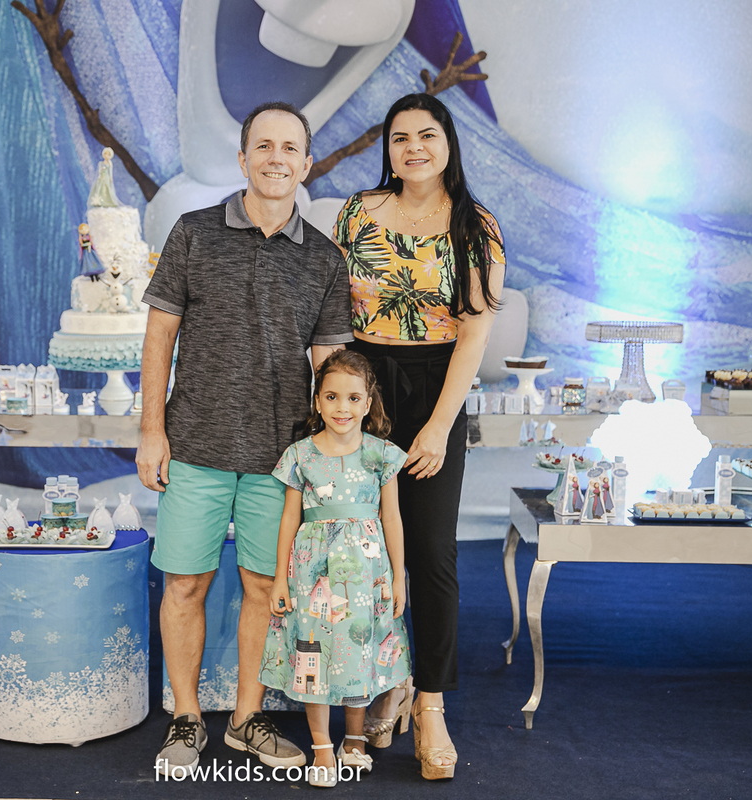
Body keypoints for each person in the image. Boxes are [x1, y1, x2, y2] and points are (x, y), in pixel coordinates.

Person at [138, 101, 353, 777]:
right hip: (194, 446)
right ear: (242, 158)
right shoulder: (194, 233)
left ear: (307, 164)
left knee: (265, 589)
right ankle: (185, 717)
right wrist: (151, 430)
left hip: (279, 459)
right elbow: (159, 336)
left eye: (290, 148)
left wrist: (331, 455)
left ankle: (244, 719)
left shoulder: (324, 259)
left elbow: (330, 367)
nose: (276, 158)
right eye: (264, 146)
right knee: (185, 586)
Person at [333, 92, 505, 780]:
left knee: (430, 551)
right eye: (400, 138)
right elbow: (334, 310)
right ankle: (387, 681)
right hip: (363, 386)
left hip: (438, 385)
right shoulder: (358, 212)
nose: (413, 149)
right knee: (366, 548)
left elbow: (475, 334)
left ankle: (430, 705)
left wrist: (438, 425)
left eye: (427, 136)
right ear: (388, 148)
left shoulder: (475, 225)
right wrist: (338, 400)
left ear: (448, 143)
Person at [260, 350, 410, 787]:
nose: (342, 407)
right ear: (318, 401)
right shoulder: (300, 455)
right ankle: (322, 746)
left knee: (358, 650)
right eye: (331, 397)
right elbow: (290, 518)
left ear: (368, 402)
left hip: (368, 574)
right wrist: (280, 577)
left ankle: (354, 739)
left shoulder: (382, 455)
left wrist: (398, 575)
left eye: (353, 398)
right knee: (315, 653)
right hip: (312, 574)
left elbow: (392, 518)